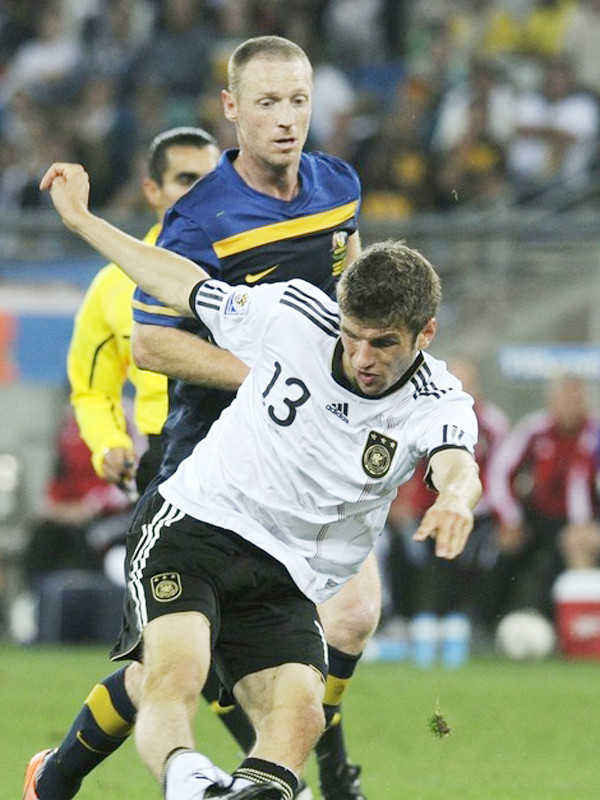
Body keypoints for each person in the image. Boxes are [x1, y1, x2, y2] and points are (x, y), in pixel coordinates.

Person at [38, 159, 482, 800]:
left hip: (285, 575)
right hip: (196, 526)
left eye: (383, 343)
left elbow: (456, 461)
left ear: (425, 332)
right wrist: (84, 221)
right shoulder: (293, 315)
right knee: (175, 674)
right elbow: (183, 283)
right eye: (352, 336)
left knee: (300, 717)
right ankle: (188, 783)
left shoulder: (437, 399)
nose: (362, 358)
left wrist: (458, 500)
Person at [130, 35, 369, 800]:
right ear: (232, 109)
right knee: (173, 671)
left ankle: (287, 776)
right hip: (210, 474)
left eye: (298, 100)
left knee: (345, 627)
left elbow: (353, 293)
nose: (287, 118)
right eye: (268, 102)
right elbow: (151, 342)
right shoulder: (199, 219)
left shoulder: (339, 186)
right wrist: (267, 376)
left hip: (305, 469)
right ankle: (177, 775)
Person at [24, 129, 259, 799]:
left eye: (211, 178)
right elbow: (92, 387)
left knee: (187, 653)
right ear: (153, 191)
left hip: (250, 461)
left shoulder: (250, 268)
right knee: (193, 649)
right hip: (168, 462)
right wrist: (108, 445)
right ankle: (278, 776)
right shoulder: (114, 285)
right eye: (185, 180)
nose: (201, 192)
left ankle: (55, 779)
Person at [488, 373, 600, 621]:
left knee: (577, 546)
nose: (571, 407)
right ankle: (491, 619)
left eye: (577, 400)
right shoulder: (534, 429)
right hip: (537, 518)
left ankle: (578, 624)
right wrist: (509, 520)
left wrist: (583, 525)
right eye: (565, 399)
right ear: (553, 402)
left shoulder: (594, 434)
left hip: (582, 521)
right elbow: (500, 472)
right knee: (502, 551)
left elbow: (580, 481)